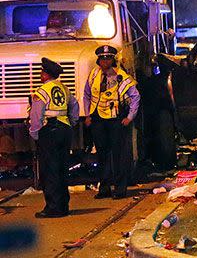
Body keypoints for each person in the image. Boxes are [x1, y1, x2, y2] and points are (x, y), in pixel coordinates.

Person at [84, 45, 140, 199]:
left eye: (108, 58)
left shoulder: (122, 77)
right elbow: (87, 94)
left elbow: (135, 97)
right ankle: (104, 188)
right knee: (102, 154)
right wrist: (88, 115)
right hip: (98, 120)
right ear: (98, 60)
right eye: (102, 58)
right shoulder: (94, 75)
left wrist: (130, 117)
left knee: (118, 155)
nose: (105, 61)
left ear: (112, 60)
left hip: (116, 120)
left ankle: (120, 189)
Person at [29, 57, 79, 218]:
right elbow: (74, 106)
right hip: (65, 129)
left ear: (46, 74)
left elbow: (36, 115)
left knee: (49, 170)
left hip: (49, 130)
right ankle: (63, 205)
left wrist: (34, 132)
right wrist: (71, 122)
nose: (40, 74)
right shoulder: (64, 88)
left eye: (42, 72)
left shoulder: (41, 91)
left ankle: (53, 207)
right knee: (62, 168)